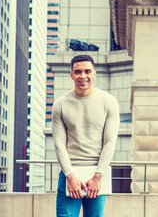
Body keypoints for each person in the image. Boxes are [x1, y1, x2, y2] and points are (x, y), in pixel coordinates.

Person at [52, 55, 120, 217]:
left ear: (94, 74)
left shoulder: (108, 101)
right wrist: (70, 175)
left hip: (97, 174)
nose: (83, 76)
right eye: (78, 72)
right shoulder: (60, 104)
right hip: (69, 174)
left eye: (87, 71)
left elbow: (110, 141)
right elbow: (59, 143)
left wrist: (98, 175)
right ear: (71, 74)